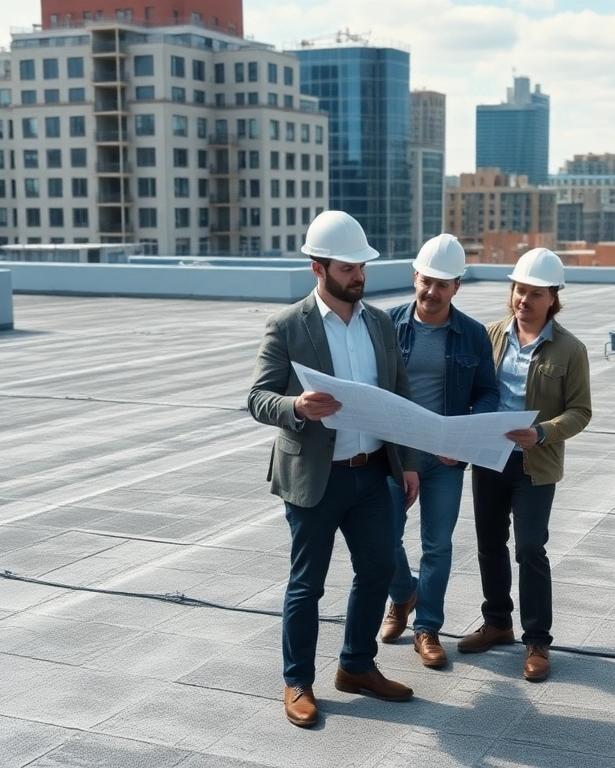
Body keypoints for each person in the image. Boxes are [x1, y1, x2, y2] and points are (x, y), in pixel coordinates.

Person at [247, 210, 420, 728]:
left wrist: (408, 464)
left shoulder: (380, 323)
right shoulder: (287, 325)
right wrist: (297, 407)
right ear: (318, 269)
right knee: (308, 584)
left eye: (361, 267)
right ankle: (298, 680)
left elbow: (400, 396)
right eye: (348, 268)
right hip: (315, 478)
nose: (359, 276)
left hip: (373, 473)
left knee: (379, 570)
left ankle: (356, 666)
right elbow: (258, 398)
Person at [455, 248, 592, 683]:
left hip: (535, 464)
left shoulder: (570, 349)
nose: (524, 300)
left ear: (553, 298)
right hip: (490, 459)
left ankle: (537, 641)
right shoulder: (489, 336)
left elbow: (581, 411)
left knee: (530, 548)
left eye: (535, 293)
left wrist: (544, 432)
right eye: (519, 290)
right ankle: (497, 622)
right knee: (489, 544)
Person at [378, 234, 499, 668]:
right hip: (394, 455)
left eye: (442, 284)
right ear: (415, 277)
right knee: (381, 539)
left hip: (445, 459)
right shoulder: (386, 325)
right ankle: (402, 594)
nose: (431, 291)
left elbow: (487, 393)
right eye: (426, 281)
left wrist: (462, 438)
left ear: (456, 287)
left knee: (437, 546)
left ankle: (426, 628)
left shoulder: (472, 335)